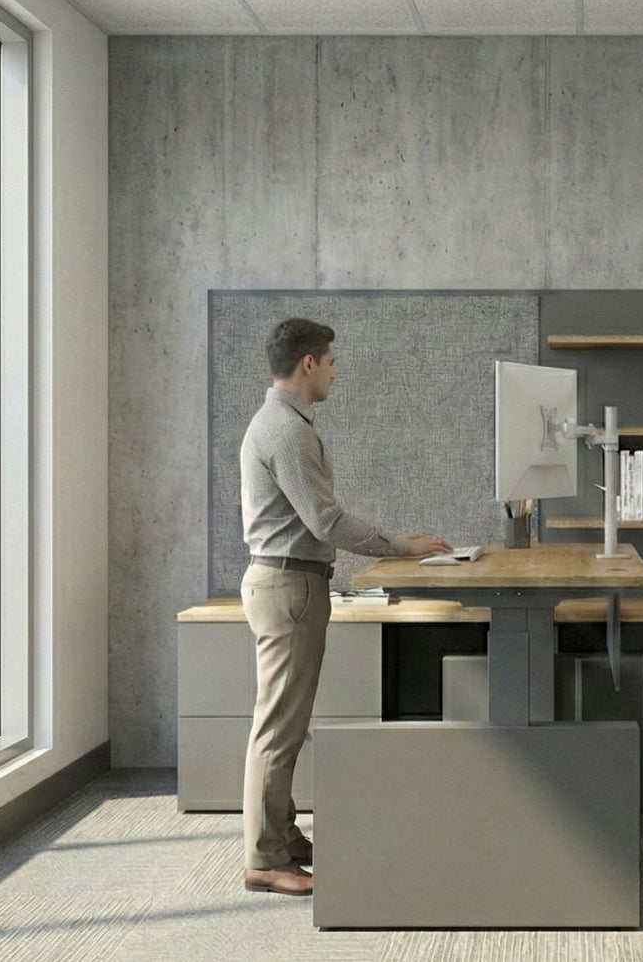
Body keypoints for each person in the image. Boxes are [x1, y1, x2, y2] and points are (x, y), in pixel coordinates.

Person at [238, 317, 450, 896]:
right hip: (289, 587)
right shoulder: (286, 431)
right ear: (308, 363)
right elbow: (325, 520)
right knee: (278, 728)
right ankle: (264, 857)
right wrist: (399, 545)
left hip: (290, 585)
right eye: (331, 361)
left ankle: (282, 837)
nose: (335, 371)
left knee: (285, 721)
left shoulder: (284, 424)